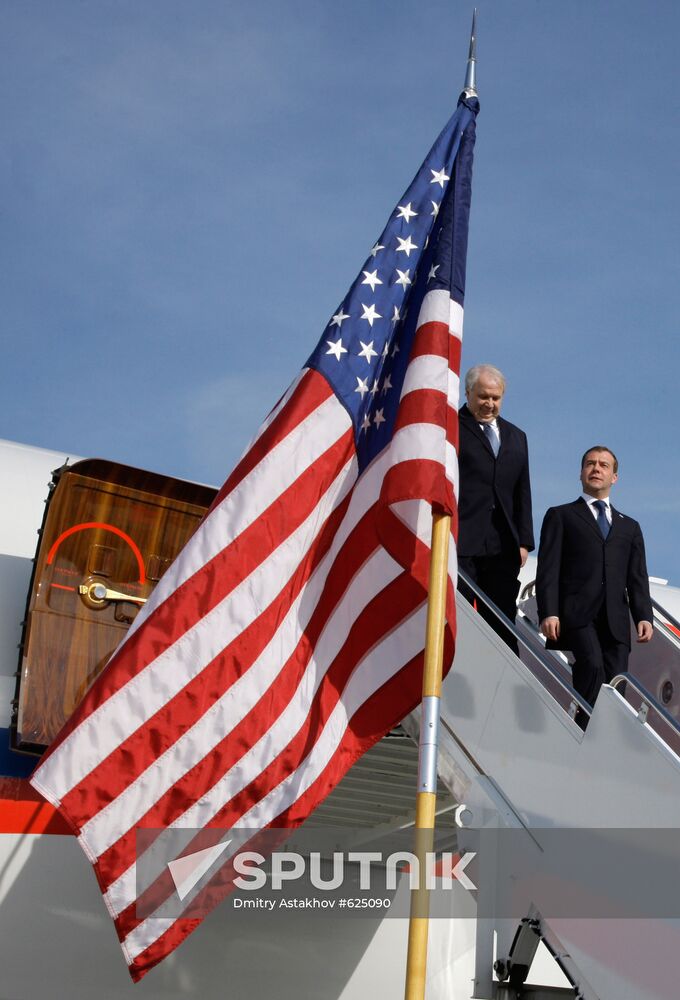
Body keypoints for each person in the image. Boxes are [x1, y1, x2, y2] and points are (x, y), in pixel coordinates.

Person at [536, 446, 653, 708]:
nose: (596, 469)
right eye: (590, 464)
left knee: (616, 684)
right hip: (577, 614)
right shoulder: (561, 515)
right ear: (581, 473)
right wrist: (548, 612)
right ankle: (584, 733)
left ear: (614, 477)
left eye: (603, 465)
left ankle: (602, 739)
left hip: (616, 619)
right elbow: (548, 568)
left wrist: (643, 615)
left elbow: (637, 576)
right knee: (592, 666)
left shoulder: (629, 526)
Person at [457, 364, 534, 652]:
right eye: (483, 397)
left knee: (501, 619)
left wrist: (524, 540)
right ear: (468, 393)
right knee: (461, 613)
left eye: (495, 398)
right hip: (462, 538)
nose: (489, 404)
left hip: (503, 543)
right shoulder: (450, 426)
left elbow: (522, 490)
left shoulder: (517, 436)